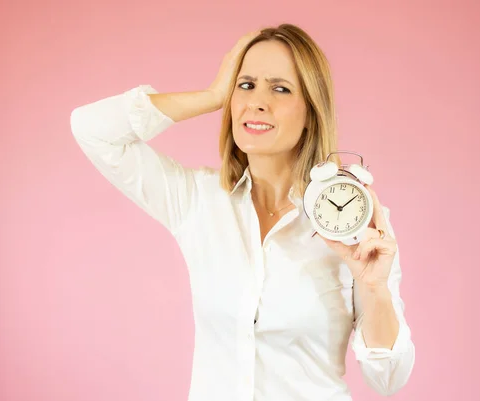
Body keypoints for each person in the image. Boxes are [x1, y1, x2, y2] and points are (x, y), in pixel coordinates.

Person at [70, 23, 415, 401]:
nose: (257, 102)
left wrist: (373, 285)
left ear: (311, 112)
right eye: (246, 85)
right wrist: (212, 94)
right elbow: (91, 129)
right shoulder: (198, 201)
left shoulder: (356, 225)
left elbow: (388, 377)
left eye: (280, 89)